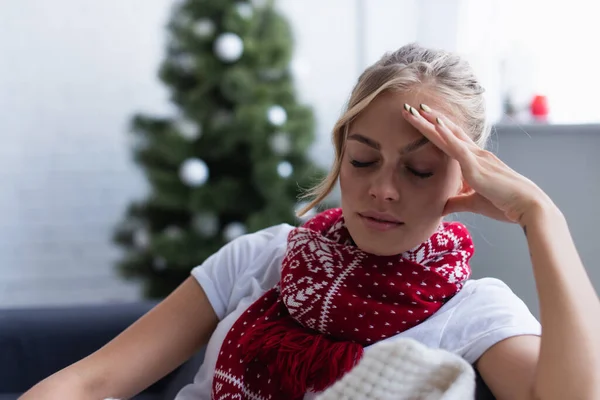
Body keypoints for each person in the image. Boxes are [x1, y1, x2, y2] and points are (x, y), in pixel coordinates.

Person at [21, 43, 599, 400]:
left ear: (466, 180)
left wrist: (541, 217)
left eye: (420, 170)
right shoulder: (262, 258)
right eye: (363, 159)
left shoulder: (477, 314)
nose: (382, 189)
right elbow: (90, 382)